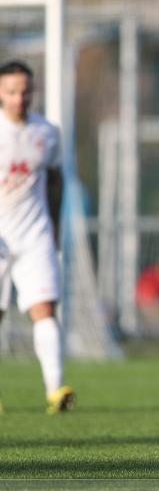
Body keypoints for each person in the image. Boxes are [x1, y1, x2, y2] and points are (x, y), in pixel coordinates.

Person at [0, 60, 75, 414]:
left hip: (35, 234)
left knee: (45, 310)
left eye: (25, 91)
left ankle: (55, 390)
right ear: (1, 92)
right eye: (12, 91)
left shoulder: (47, 132)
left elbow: (57, 181)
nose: (19, 98)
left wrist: (55, 229)